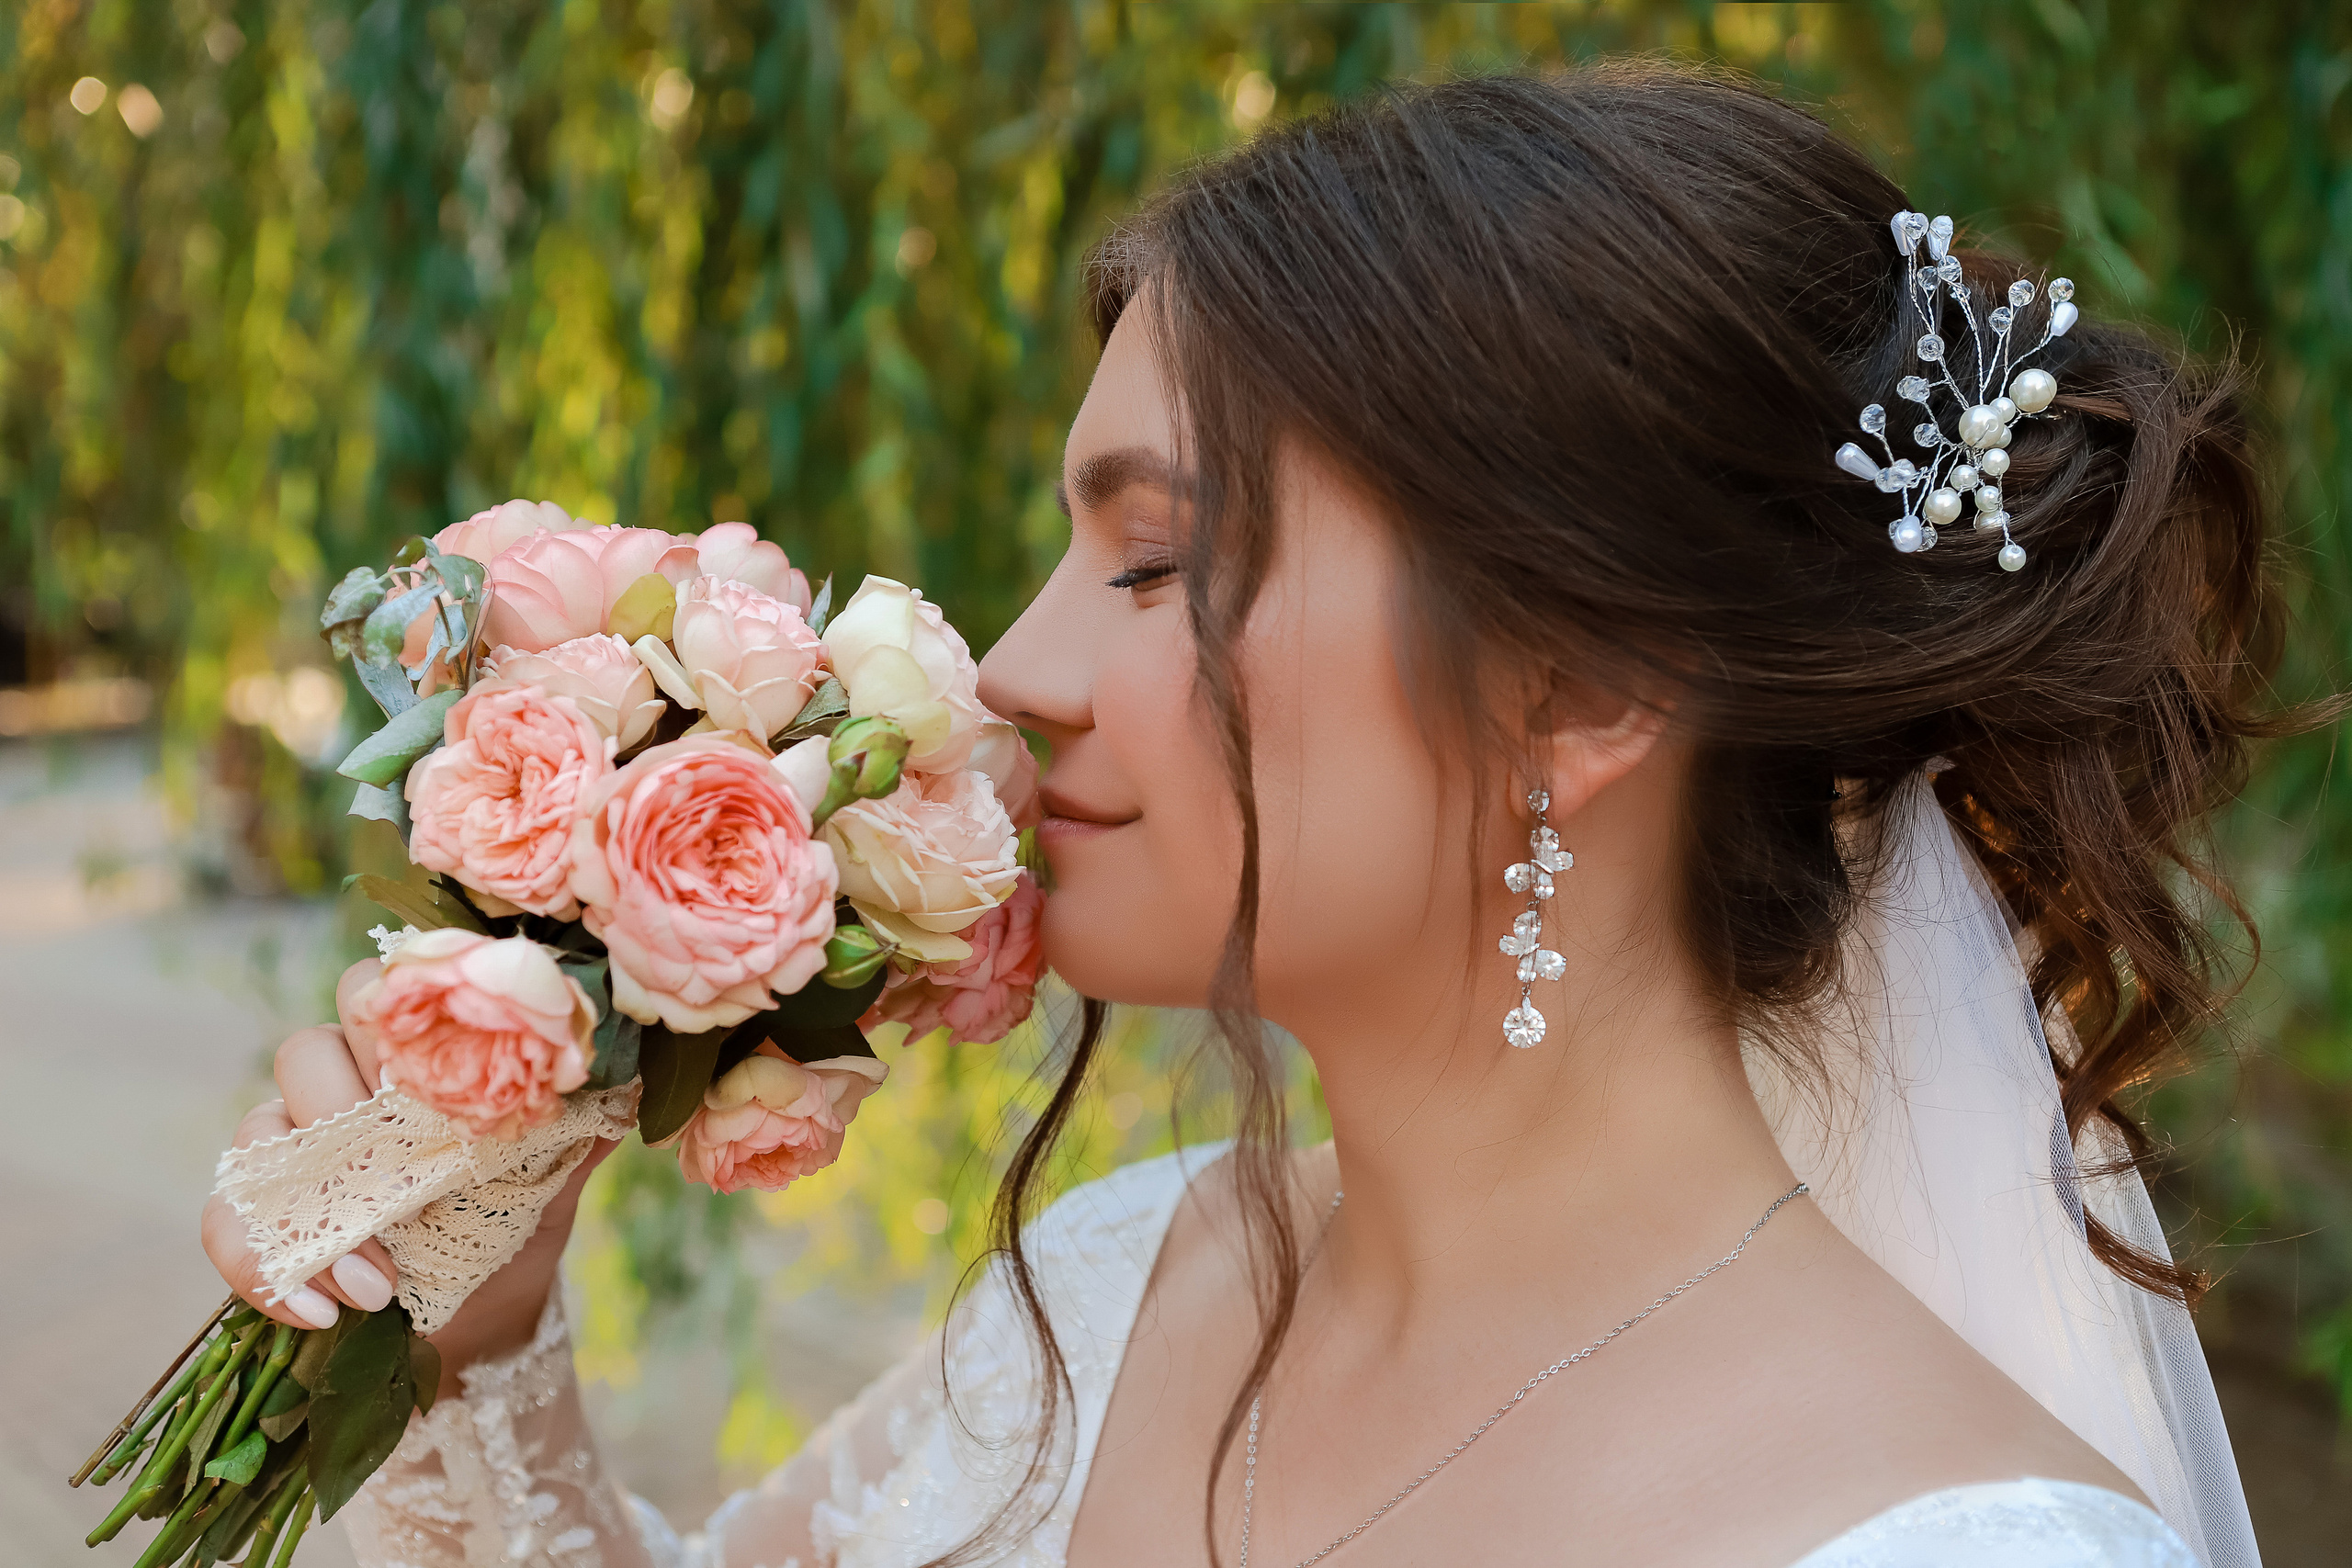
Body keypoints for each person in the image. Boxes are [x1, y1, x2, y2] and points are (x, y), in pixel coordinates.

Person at [202, 64, 2284, 1567]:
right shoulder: (1123, 1279)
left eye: (1154, 560)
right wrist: (466, 1345)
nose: (1008, 668)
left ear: (1574, 684)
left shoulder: (1952, 1543)